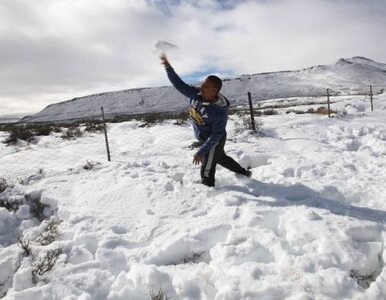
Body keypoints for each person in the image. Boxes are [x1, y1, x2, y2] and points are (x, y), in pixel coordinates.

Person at [160, 54, 251, 187]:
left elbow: (215, 136)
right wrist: (168, 67)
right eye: (203, 83)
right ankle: (244, 173)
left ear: (214, 91)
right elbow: (178, 84)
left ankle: (207, 185)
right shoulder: (196, 94)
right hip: (204, 137)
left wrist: (201, 152)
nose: (201, 86)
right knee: (221, 158)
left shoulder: (219, 112)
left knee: (208, 162)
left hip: (215, 139)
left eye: (206, 85)